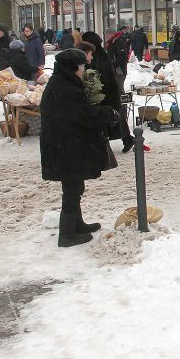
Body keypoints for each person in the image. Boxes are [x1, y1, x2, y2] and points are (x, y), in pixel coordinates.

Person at [40, 48, 120, 247]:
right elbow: (83, 115)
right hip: (65, 146)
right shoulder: (66, 88)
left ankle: (77, 225)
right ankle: (67, 235)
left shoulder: (63, 82)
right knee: (72, 186)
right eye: (82, 66)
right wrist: (106, 113)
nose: (84, 69)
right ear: (73, 67)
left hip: (65, 143)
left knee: (74, 185)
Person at [80, 31, 137, 154]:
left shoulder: (98, 55)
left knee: (112, 116)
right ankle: (124, 139)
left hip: (105, 92)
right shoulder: (99, 53)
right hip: (105, 92)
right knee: (114, 116)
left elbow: (98, 74)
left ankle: (124, 140)